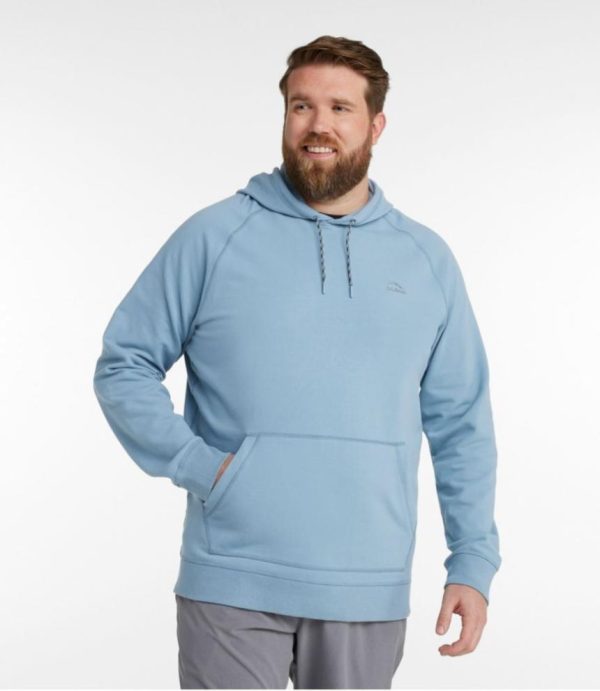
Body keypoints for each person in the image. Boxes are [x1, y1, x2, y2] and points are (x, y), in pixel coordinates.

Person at [93, 35, 502, 689]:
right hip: (232, 574)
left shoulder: (426, 260)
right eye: (301, 106)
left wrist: (472, 562)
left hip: (366, 584)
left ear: (376, 125)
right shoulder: (214, 236)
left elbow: (462, 423)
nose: (318, 126)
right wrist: (203, 467)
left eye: (340, 108)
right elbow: (124, 363)